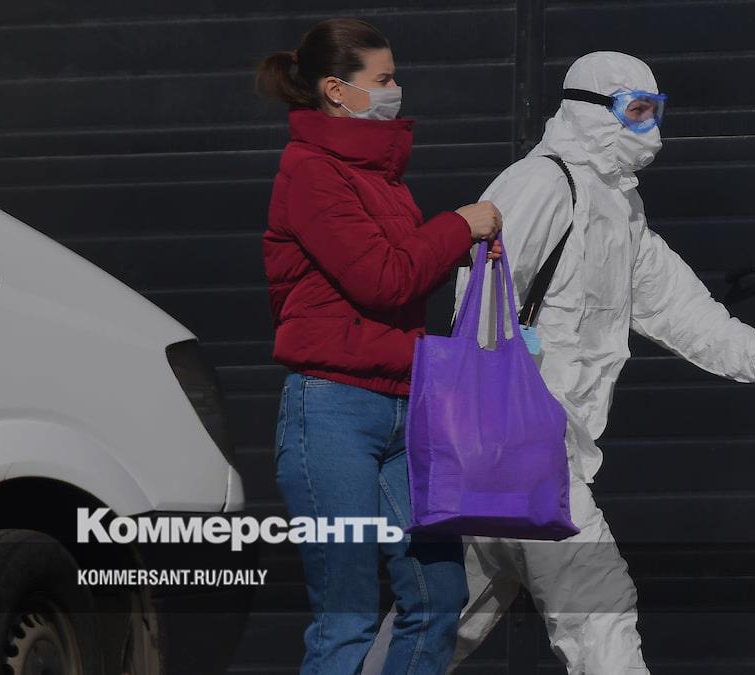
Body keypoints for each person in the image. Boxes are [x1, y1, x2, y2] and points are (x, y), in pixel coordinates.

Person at [364, 50, 755, 674]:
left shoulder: (620, 208)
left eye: (654, 111)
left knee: (439, 623)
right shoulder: (540, 182)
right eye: (636, 111)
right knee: (599, 606)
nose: (649, 127)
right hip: (522, 445)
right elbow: (482, 284)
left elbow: (675, 304)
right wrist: (504, 353)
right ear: (592, 110)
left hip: (530, 454)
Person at [257, 17, 507, 674]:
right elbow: (381, 277)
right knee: (346, 615)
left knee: (439, 597)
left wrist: (458, 248)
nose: (396, 90)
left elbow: (401, 277)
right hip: (332, 410)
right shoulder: (310, 171)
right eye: (385, 78)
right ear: (336, 89)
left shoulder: (382, 175)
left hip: (405, 403)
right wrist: (458, 227)